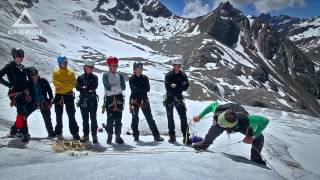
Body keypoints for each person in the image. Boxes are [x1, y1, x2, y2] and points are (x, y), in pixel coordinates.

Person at [192, 101, 269, 165]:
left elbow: (265, 120)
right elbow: (213, 104)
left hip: (240, 120)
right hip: (226, 114)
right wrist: (199, 116)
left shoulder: (245, 120)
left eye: (224, 126)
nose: (220, 126)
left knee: (259, 137)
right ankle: (204, 144)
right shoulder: (218, 111)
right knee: (213, 130)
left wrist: (252, 137)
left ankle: (256, 158)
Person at [0, 48, 30, 142]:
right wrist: (9, 85)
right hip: (15, 94)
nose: (20, 58)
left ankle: (15, 130)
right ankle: (23, 132)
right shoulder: (10, 66)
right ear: (14, 56)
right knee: (21, 111)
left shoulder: (23, 67)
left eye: (22, 56)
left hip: (23, 94)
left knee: (22, 112)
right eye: (18, 56)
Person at [129, 62, 164, 142]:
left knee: (149, 118)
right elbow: (133, 89)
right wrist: (141, 89)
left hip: (144, 100)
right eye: (138, 69)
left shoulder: (145, 78)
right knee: (135, 118)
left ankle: (156, 136)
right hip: (134, 100)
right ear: (134, 70)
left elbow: (148, 89)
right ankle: (136, 136)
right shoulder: (131, 79)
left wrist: (138, 89)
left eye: (141, 69)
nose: (139, 70)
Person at [52, 55, 80, 140]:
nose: (65, 64)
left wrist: (62, 85)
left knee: (71, 115)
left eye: (66, 62)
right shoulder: (56, 73)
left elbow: (74, 84)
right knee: (58, 115)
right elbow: (56, 84)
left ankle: (75, 133)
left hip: (68, 95)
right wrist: (67, 84)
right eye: (64, 63)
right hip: (61, 96)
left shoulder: (71, 73)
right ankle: (58, 132)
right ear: (59, 63)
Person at [164, 58, 191, 144]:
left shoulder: (183, 75)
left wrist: (176, 86)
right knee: (170, 117)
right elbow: (167, 87)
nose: (178, 67)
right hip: (170, 98)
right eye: (177, 65)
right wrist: (180, 85)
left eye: (179, 65)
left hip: (178, 97)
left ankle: (186, 137)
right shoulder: (168, 75)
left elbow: (186, 86)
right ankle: (172, 136)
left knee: (183, 117)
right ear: (173, 66)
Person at [25, 67, 55, 138]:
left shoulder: (43, 81)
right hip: (33, 103)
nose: (35, 76)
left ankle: (51, 133)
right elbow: (24, 93)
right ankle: (15, 129)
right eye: (33, 75)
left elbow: (49, 91)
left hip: (44, 102)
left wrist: (50, 100)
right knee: (22, 115)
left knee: (47, 118)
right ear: (29, 76)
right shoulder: (28, 83)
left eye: (36, 74)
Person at [102, 56, 126, 144]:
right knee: (110, 119)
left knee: (119, 119)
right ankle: (109, 136)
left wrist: (113, 88)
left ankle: (118, 136)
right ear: (109, 66)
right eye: (113, 65)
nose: (115, 67)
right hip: (110, 99)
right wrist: (117, 88)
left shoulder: (120, 75)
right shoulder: (105, 75)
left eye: (116, 65)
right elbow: (107, 87)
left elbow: (123, 87)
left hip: (119, 98)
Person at [76, 60, 99, 144]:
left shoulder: (95, 77)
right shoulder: (80, 77)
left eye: (92, 67)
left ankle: (94, 135)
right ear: (85, 67)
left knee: (93, 119)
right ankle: (86, 135)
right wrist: (85, 88)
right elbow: (77, 87)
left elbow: (94, 86)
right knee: (85, 119)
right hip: (83, 100)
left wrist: (84, 88)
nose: (91, 69)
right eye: (90, 67)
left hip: (92, 100)